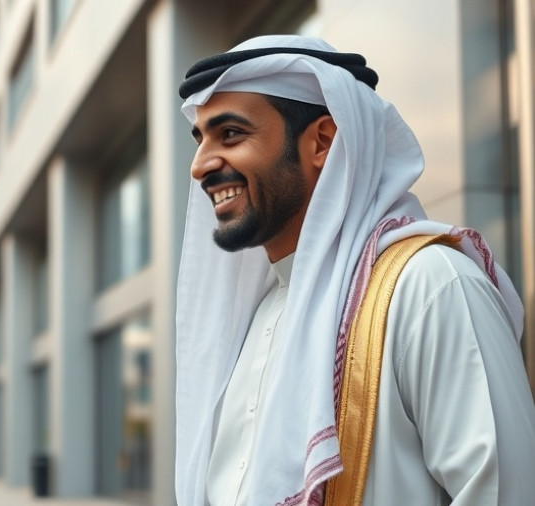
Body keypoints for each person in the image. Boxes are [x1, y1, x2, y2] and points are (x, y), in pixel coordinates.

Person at [174, 34, 535, 506]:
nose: (199, 166)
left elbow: (506, 492)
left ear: (322, 141)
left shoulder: (427, 285)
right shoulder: (257, 317)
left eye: (231, 134)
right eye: (200, 139)